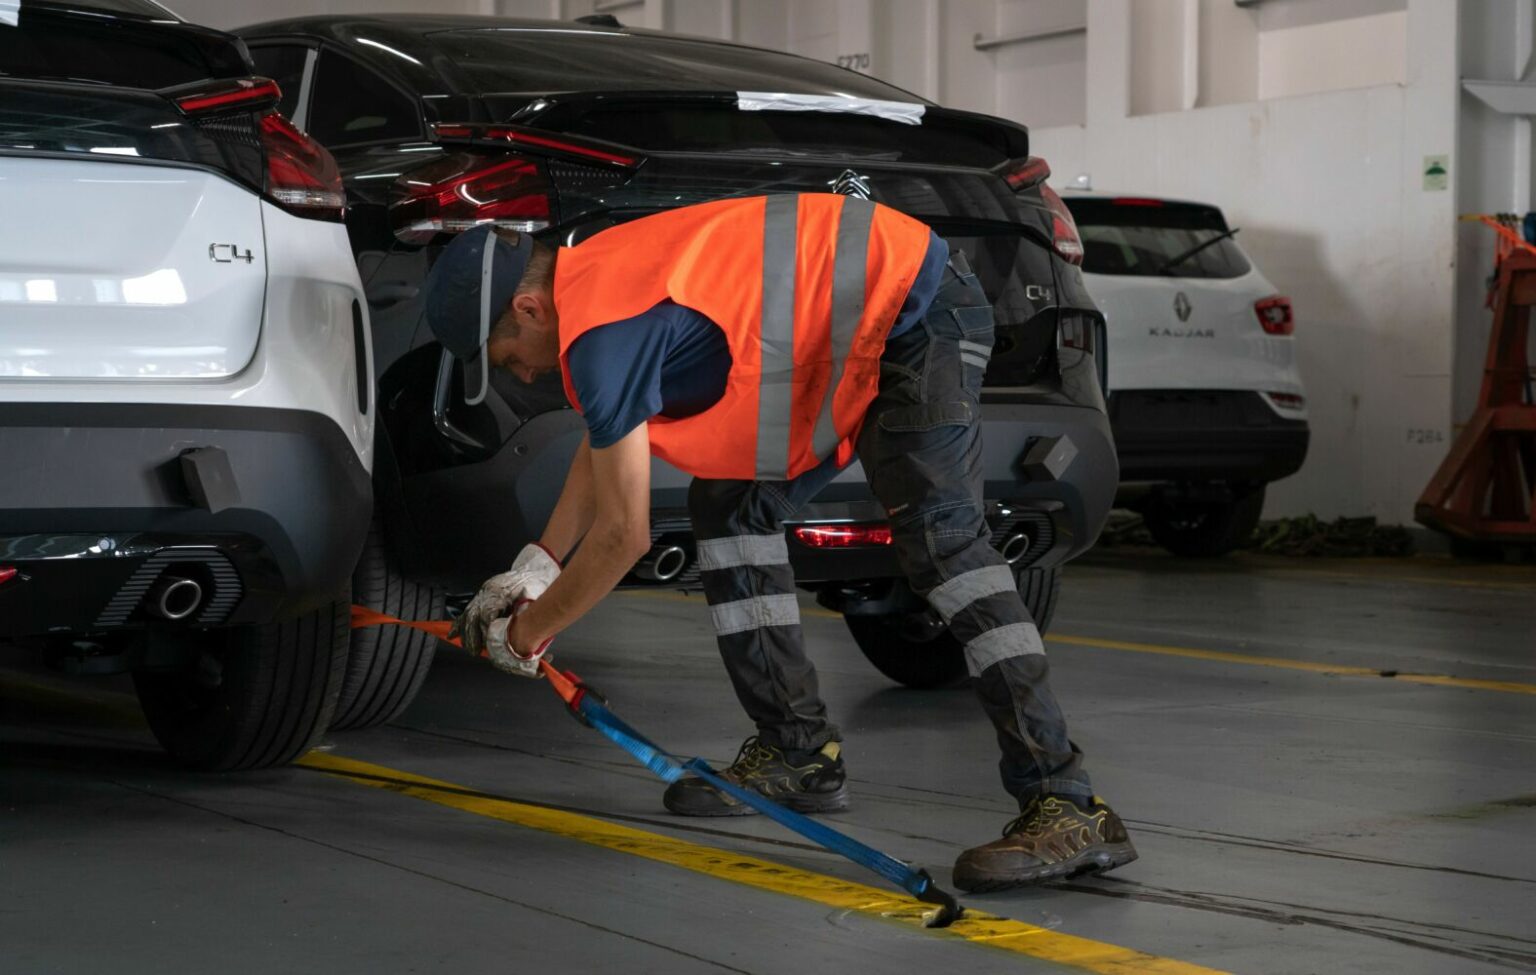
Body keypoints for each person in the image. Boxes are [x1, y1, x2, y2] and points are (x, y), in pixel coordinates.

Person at [422, 194, 1137, 891]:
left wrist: (529, 635)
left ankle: (1066, 802)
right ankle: (798, 754)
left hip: (917, 310)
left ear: (528, 308)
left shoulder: (600, 332)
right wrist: (536, 568)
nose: (520, 372)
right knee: (730, 506)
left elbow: (622, 534)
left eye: (505, 355)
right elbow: (604, 448)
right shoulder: (595, 286)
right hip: (858, 319)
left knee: (943, 540)